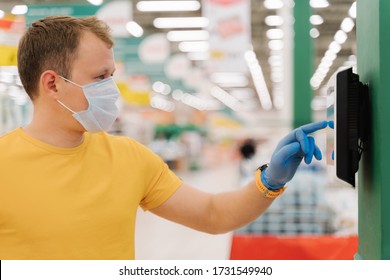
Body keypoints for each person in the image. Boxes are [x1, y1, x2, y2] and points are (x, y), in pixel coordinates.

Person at [0, 16, 328, 260]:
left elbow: (213, 214)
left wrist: (269, 181)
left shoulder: (129, 157)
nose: (110, 89)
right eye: (99, 77)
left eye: (111, 76)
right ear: (53, 84)